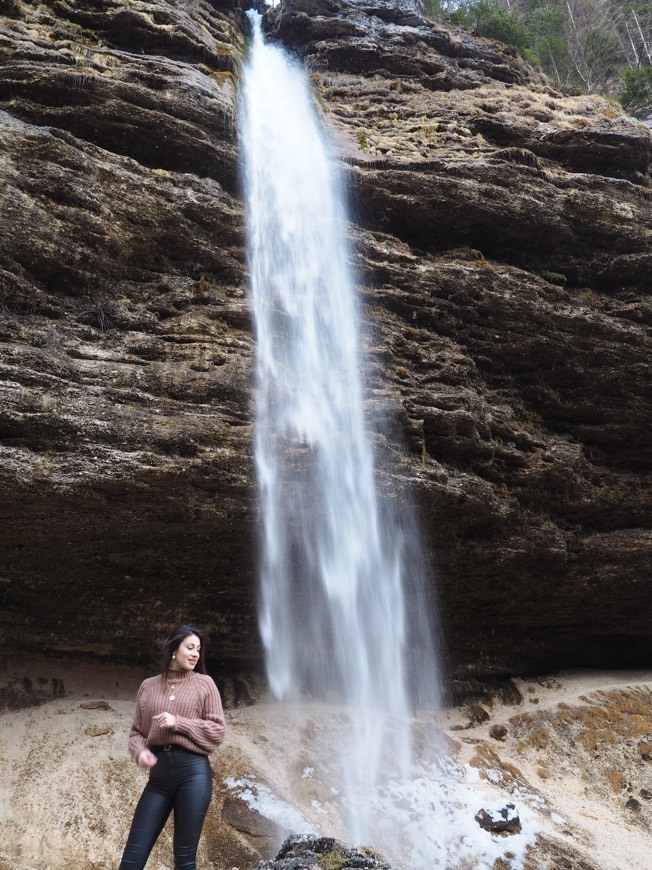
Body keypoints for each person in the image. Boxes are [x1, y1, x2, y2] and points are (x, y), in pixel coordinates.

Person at [119, 624, 226, 870]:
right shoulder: (148, 686)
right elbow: (137, 732)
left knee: (184, 860)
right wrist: (141, 752)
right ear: (173, 649)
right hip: (158, 779)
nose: (195, 654)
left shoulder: (204, 684)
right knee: (131, 859)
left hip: (193, 774)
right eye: (190, 647)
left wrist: (179, 722)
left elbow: (217, 730)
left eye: (198, 649)